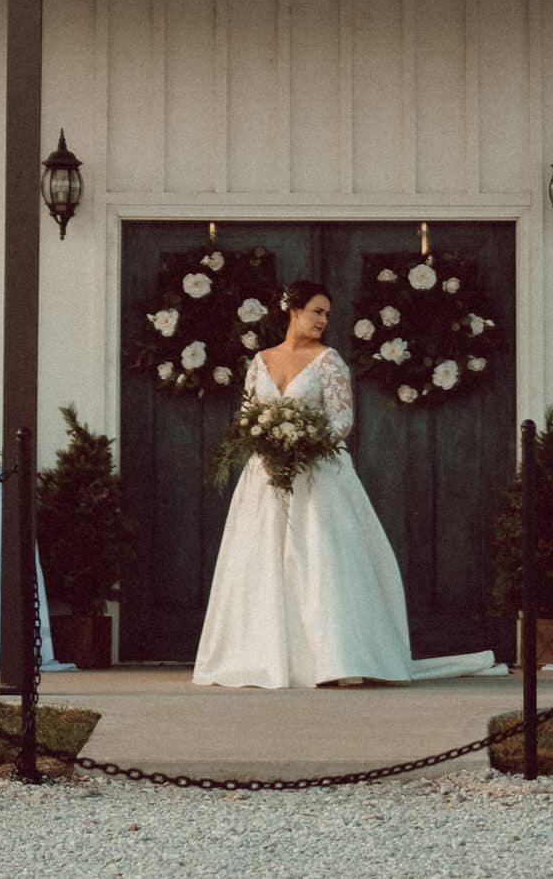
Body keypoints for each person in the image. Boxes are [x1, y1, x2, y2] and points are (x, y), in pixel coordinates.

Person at [192, 278, 499, 690]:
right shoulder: (260, 361)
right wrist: (266, 437)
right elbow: (249, 414)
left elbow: (342, 420)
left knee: (321, 561)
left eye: (327, 315)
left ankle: (335, 656)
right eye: (316, 312)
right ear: (293, 311)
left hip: (318, 474)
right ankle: (260, 655)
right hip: (266, 475)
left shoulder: (329, 361)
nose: (323, 321)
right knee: (261, 560)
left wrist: (303, 439)